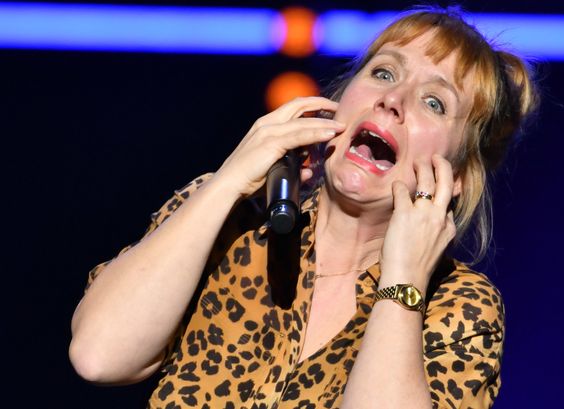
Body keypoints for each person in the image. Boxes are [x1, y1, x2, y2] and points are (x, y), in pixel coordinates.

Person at [69, 6, 538, 409]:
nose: (392, 101)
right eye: (383, 73)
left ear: (454, 176)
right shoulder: (231, 222)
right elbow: (99, 355)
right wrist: (228, 180)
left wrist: (401, 283)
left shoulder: (456, 306)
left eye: (434, 102)